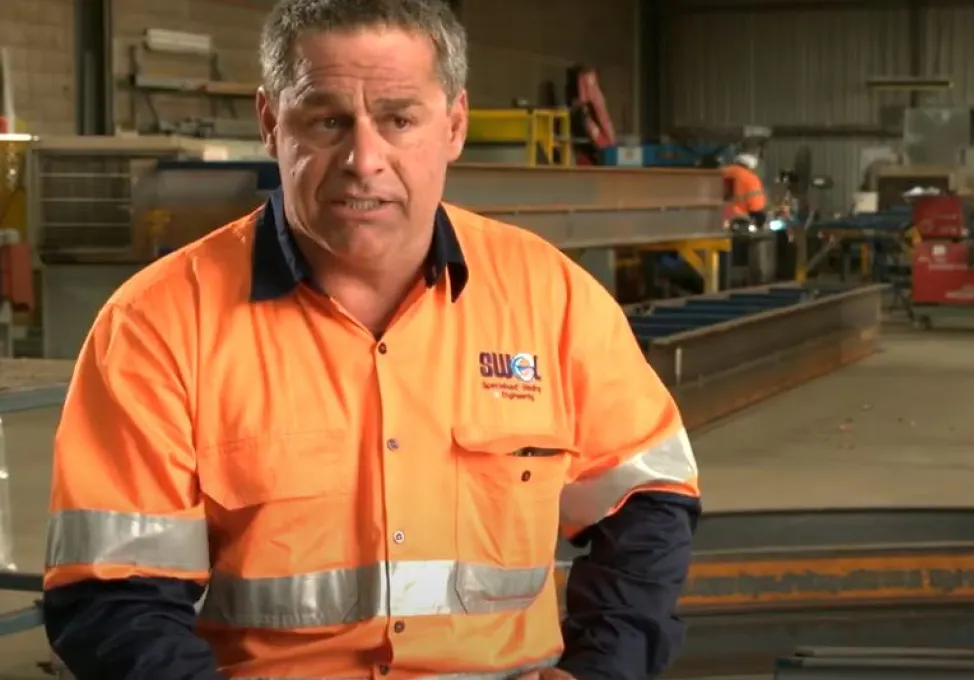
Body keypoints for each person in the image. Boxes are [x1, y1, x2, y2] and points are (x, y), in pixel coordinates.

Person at [41, 1, 701, 678]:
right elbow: (113, 595)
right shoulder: (157, 325)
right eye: (328, 120)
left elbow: (647, 499)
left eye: (399, 119)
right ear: (270, 123)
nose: (364, 159)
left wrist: (603, 667)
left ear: (454, 124)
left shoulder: (552, 299)